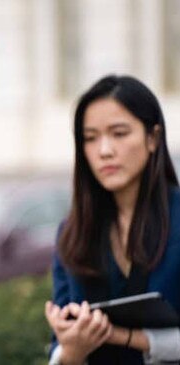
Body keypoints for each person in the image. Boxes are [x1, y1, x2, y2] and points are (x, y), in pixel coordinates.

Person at [45, 75, 180, 364]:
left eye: (119, 133)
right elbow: (60, 351)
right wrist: (71, 348)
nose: (104, 150)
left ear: (153, 138)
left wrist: (122, 336)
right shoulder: (71, 233)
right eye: (90, 138)